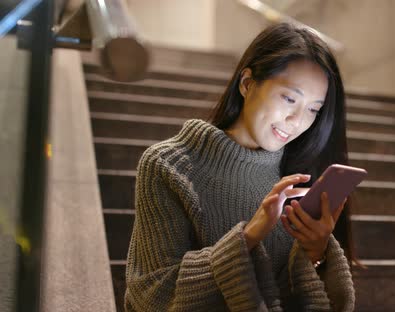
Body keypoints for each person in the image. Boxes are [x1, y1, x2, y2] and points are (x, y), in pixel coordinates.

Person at [124, 22, 355, 311]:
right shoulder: (168, 166)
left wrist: (317, 251)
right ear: (247, 83)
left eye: (312, 109)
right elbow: (152, 294)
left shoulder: (299, 177)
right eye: (289, 98)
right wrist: (247, 238)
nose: (297, 121)